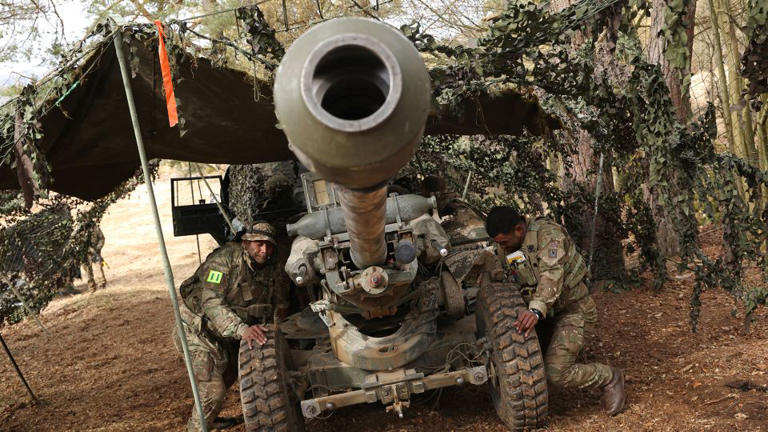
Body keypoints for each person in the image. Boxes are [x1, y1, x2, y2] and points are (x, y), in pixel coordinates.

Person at [485, 206, 626, 416]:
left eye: (504, 242)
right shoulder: (507, 246)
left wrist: (534, 311)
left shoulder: (549, 235)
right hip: (545, 314)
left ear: (519, 229)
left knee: (556, 372)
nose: (502, 248)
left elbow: (552, 274)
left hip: (574, 311)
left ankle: (610, 377)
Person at [174, 221, 290, 432]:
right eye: (258, 244)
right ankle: (197, 428)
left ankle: (209, 418)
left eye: (269, 245)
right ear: (246, 243)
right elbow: (211, 302)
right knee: (213, 390)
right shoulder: (224, 261)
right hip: (198, 333)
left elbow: (279, 303)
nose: (264, 250)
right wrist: (242, 330)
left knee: (226, 378)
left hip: (227, 336)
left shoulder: (272, 268)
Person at [84, 224, 107, 291]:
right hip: (85, 254)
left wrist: (97, 248)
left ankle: (102, 285)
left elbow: (102, 238)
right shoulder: (78, 230)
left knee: (99, 268)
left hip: (95, 252)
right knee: (88, 271)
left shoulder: (95, 228)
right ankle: (92, 288)